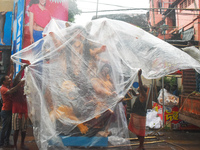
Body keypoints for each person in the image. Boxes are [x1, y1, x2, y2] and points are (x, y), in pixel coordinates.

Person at [0, 63, 25, 147]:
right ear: (4, 81)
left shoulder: (8, 85)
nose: (10, 80)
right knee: (5, 128)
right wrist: (20, 84)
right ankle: (1, 143)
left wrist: (21, 69)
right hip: (6, 111)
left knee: (9, 128)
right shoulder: (3, 89)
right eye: (8, 79)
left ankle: (6, 142)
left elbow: (15, 78)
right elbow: (12, 90)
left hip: (11, 110)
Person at [128, 69, 148, 150]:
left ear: (142, 90)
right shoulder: (139, 94)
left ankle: (141, 146)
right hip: (136, 115)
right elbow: (134, 94)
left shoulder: (143, 95)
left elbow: (140, 83)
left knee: (140, 132)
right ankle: (141, 144)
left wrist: (139, 76)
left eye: (140, 87)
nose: (139, 87)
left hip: (140, 115)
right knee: (137, 131)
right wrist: (131, 90)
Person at [12, 65, 29, 150]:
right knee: (16, 129)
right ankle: (15, 145)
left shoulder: (24, 88)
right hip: (16, 111)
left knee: (24, 129)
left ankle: (22, 144)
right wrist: (22, 68)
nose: (21, 81)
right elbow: (15, 79)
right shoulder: (14, 88)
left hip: (24, 111)